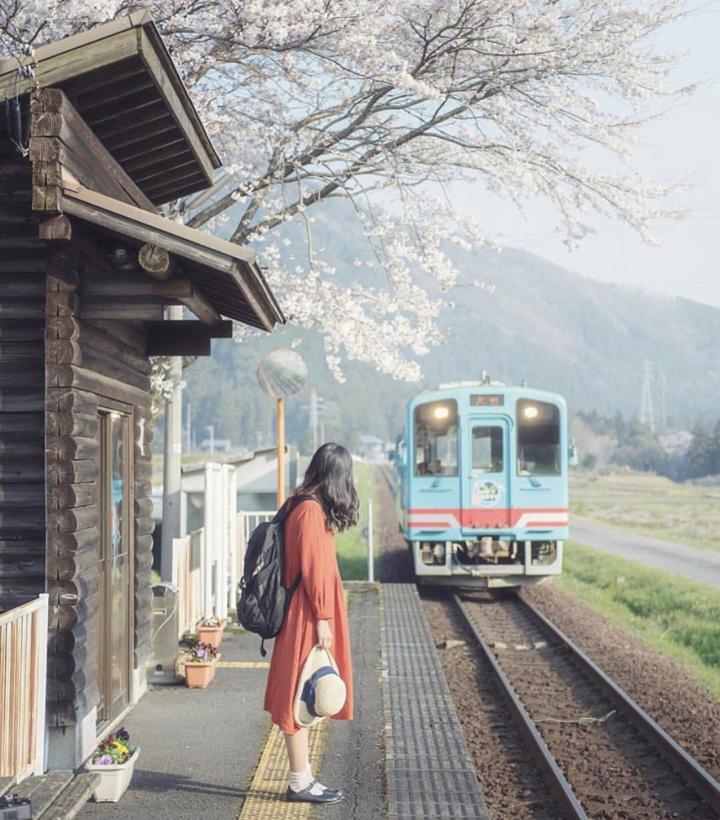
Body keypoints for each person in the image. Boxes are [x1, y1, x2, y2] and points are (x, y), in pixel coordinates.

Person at [263, 442, 358, 804]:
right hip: (307, 614)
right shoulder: (311, 512)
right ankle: (300, 781)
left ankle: (302, 778)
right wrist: (324, 618)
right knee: (302, 694)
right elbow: (315, 571)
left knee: (302, 692)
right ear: (337, 476)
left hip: (305, 611)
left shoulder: (300, 504)